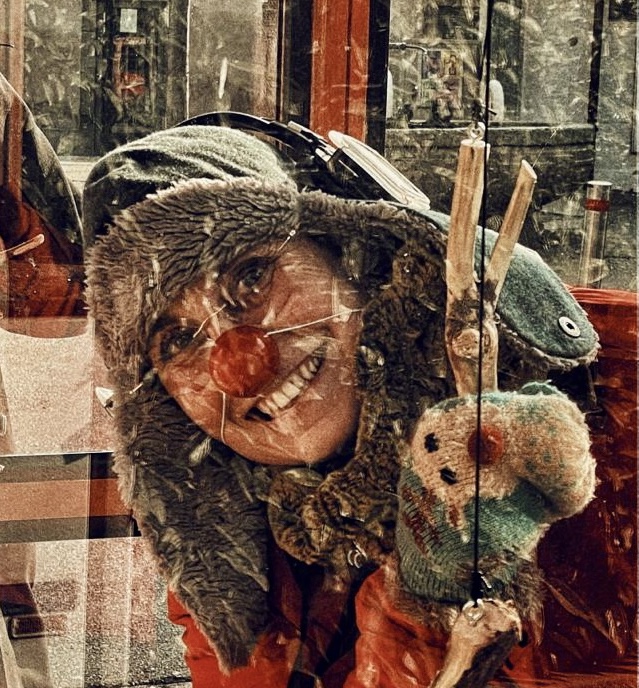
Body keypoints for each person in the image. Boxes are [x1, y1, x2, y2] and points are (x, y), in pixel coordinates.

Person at [83, 123, 600, 687]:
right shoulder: (229, 544)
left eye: (252, 276)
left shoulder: (600, 439)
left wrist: (438, 607)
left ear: (350, 259)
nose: (240, 361)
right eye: (179, 341)